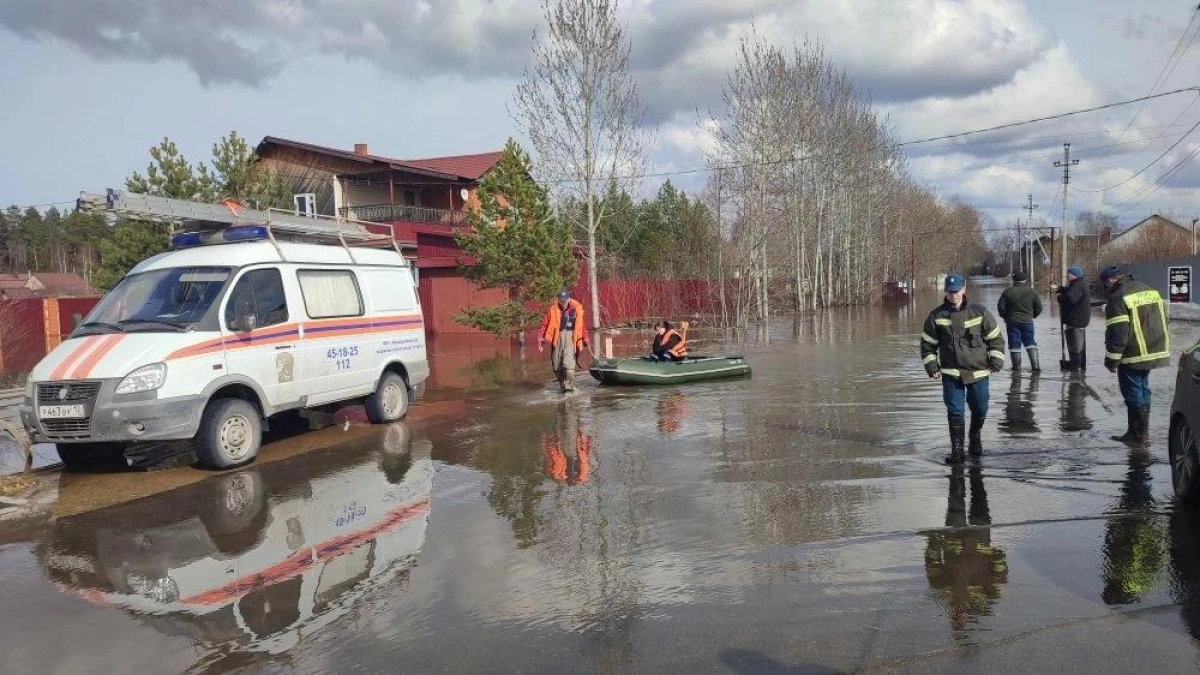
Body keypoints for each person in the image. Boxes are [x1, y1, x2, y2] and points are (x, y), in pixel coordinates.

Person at [921, 272, 1006, 464]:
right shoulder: (936, 316)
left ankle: (975, 436)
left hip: (979, 372)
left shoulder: (980, 313)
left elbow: (996, 339)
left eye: (957, 291)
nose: (954, 295)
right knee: (955, 411)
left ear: (964, 289)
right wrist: (932, 366)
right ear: (946, 292)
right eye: (950, 292)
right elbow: (927, 344)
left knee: (980, 408)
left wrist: (996, 360)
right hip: (951, 373)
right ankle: (957, 452)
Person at [1100, 265, 1170, 444]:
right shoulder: (1149, 290)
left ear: (1110, 281)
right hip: (1154, 349)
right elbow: (1165, 318)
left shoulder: (1118, 298)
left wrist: (1112, 360)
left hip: (1133, 354)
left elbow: (1118, 333)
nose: (1106, 290)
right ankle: (1142, 433)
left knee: (1132, 393)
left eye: (1105, 286)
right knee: (1143, 390)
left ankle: (1137, 435)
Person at [539, 290, 589, 393]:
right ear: (558, 299)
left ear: (569, 299)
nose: (563, 302)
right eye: (561, 300)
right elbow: (544, 325)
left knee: (569, 366)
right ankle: (562, 385)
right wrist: (541, 340)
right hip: (557, 339)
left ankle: (569, 385)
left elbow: (582, 327)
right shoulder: (552, 310)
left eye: (565, 300)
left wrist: (585, 339)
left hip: (571, 339)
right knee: (556, 367)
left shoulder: (575, 310)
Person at [997, 270, 1043, 371]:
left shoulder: (1007, 292)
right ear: (1025, 280)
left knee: (1014, 343)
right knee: (1030, 342)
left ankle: (1016, 367)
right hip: (1027, 322)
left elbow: (1000, 307)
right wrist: (1032, 316)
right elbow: (1039, 307)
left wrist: (1005, 317)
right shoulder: (1031, 292)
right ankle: (1035, 366)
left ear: (1014, 280)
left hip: (1012, 322)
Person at [1054, 266, 1091, 372]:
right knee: (1080, 346)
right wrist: (1061, 289)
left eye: (1068, 274)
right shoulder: (1078, 283)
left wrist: (1060, 298)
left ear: (1072, 275)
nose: (1067, 276)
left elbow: (1070, 298)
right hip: (1079, 320)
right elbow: (1071, 291)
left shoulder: (1078, 285)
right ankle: (1080, 367)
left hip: (1075, 321)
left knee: (1076, 347)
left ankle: (1076, 369)